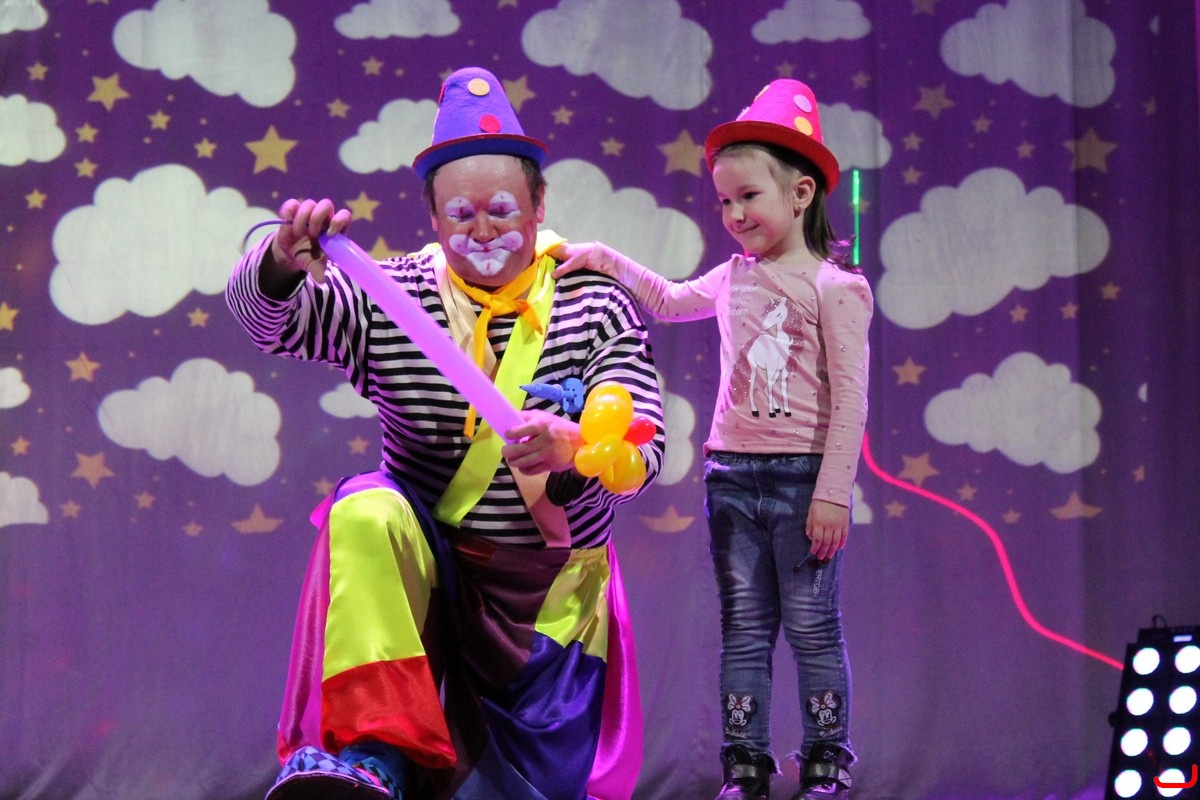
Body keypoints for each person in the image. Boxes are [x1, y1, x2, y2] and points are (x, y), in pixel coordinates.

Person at [226, 66, 664, 800]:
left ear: (539, 205)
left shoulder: (595, 303)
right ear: (432, 217)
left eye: (502, 209)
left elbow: (646, 451)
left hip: (547, 602)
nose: (482, 230)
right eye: (460, 214)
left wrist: (575, 449)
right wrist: (278, 263)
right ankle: (369, 754)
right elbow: (271, 324)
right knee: (364, 509)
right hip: (427, 583)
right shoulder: (391, 295)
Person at [555, 79, 872, 800]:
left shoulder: (835, 288)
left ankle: (826, 761)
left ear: (800, 193)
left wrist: (832, 493)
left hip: (802, 481)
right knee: (745, 629)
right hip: (732, 477)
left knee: (813, 628)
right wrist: (606, 258)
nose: (734, 215)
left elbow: (851, 399)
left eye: (748, 197)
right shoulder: (732, 278)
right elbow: (668, 302)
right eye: (725, 201)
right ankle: (745, 765)